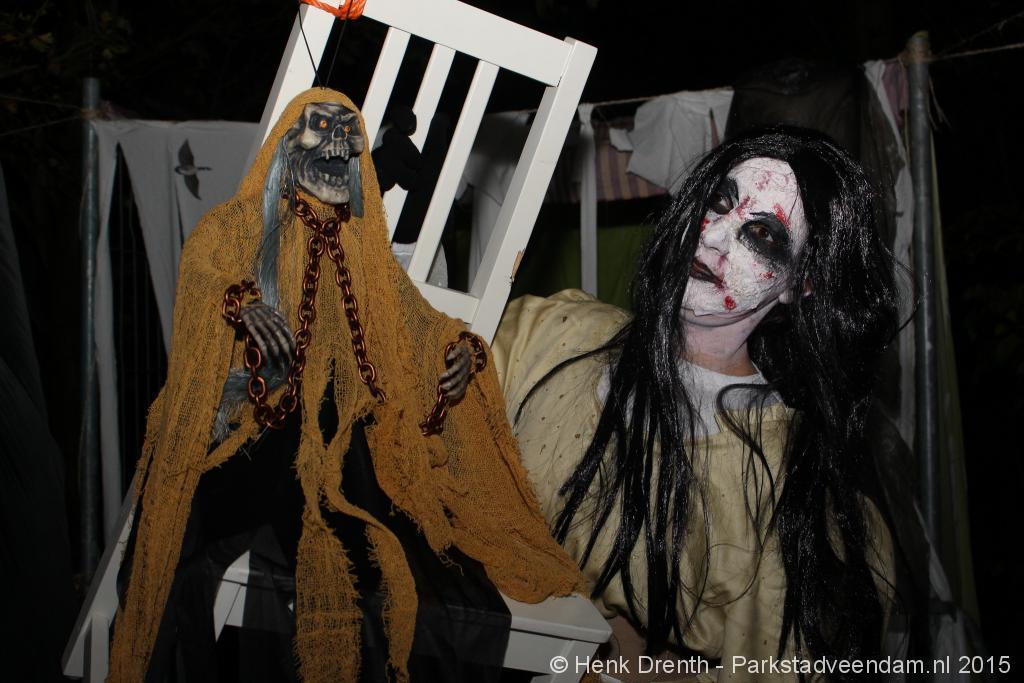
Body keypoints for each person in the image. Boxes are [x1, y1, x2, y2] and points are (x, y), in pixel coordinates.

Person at [107, 88, 583, 683]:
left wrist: (454, 348)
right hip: (259, 425)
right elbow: (205, 264)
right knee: (186, 550)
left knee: (377, 563)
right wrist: (242, 303)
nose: (338, 141)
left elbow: (411, 315)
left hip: (342, 432)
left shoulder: (362, 249)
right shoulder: (245, 221)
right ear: (288, 143)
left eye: (348, 131)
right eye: (320, 126)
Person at [493, 127, 900, 681]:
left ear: (799, 283)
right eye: (719, 202)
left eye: (761, 234)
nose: (714, 238)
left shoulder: (785, 481)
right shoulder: (553, 334)